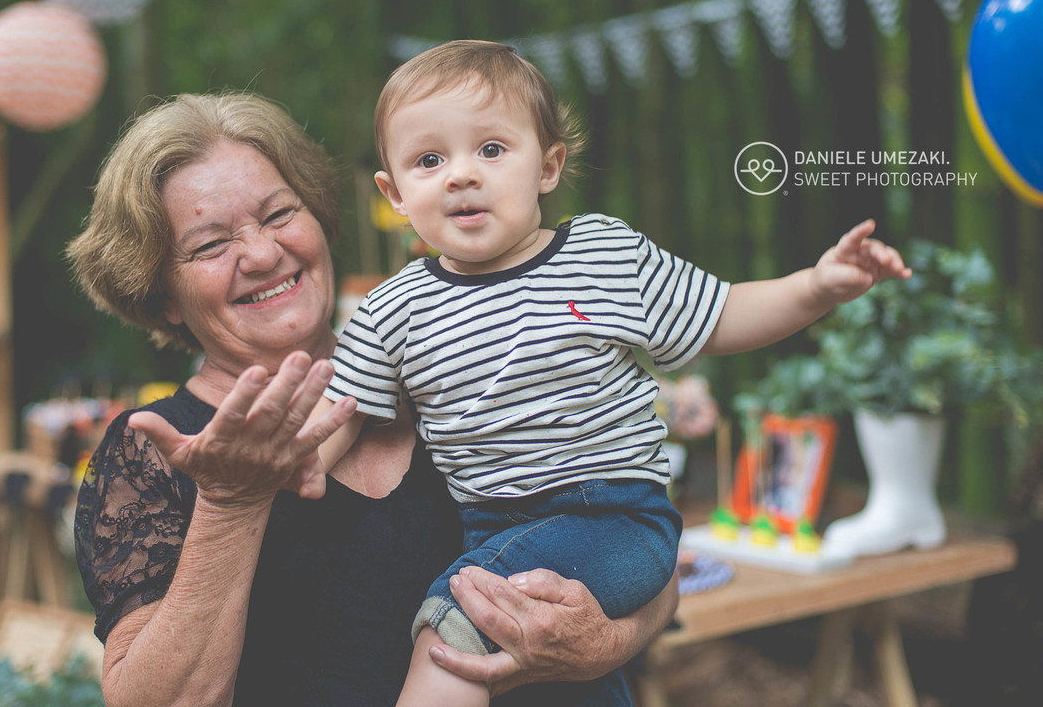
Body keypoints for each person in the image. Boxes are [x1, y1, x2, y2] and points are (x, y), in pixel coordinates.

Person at [312, 40, 912, 706]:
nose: (461, 175)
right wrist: (275, 466)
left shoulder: (603, 255)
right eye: (430, 160)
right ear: (394, 192)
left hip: (617, 517)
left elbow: (722, 315)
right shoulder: (390, 311)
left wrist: (817, 286)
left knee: (453, 633)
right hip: (493, 529)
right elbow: (338, 416)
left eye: (491, 149)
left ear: (548, 165)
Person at [67, 91, 679, 707]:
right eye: (209, 245)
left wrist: (608, 642)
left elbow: (642, 547)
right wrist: (231, 502)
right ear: (161, 295)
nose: (261, 253)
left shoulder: (455, 367)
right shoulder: (152, 451)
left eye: (279, 214)